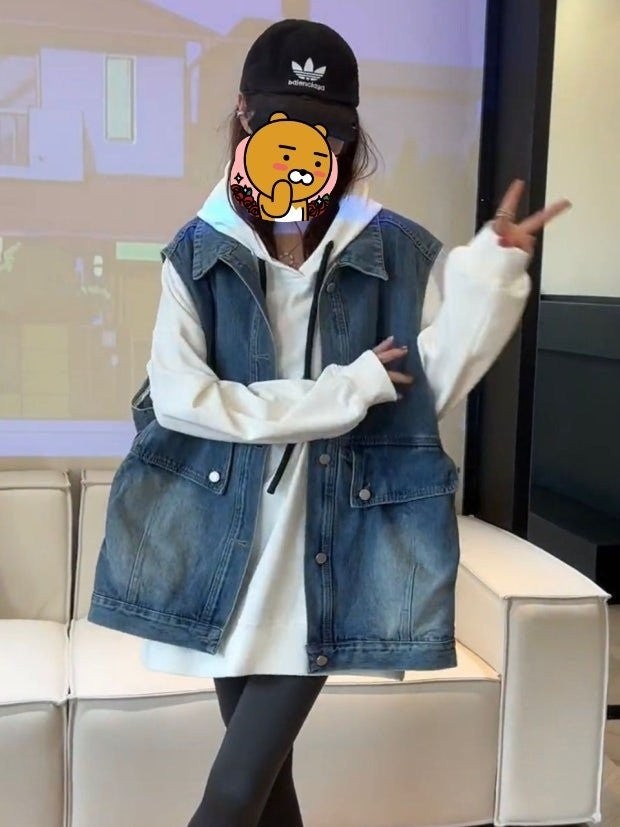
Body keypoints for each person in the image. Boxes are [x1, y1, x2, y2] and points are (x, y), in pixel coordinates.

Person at [87, 18, 571, 827]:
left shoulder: (393, 250)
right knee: (269, 794)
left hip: (328, 555)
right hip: (223, 549)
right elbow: (181, 398)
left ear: (346, 138)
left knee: (232, 795)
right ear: (246, 117)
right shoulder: (198, 252)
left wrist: (491, 272)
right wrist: (347, 388)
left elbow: (429, 379)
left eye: (325, 133)